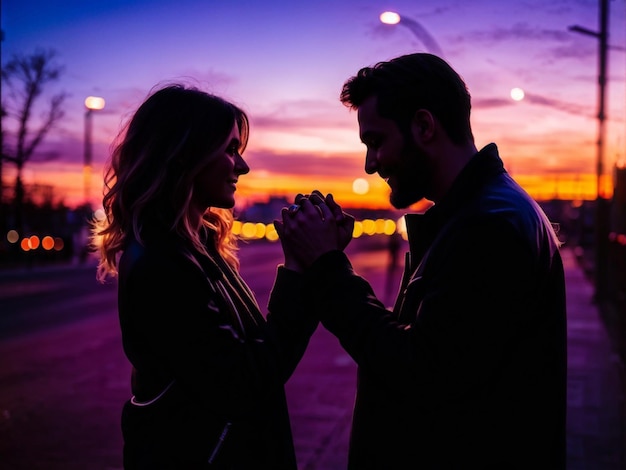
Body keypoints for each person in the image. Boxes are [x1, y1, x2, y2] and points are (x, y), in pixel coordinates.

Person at [273, 53, 567, 469]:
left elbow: (421, 372)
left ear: (424, 126)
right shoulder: (479, 213)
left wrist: (326, 267)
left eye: (376, 142)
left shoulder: (488, 226)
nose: (370, 164)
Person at [91, 83, 318, 469]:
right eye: (230, 150)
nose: (242, 167)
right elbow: (244, 382)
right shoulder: (161, 266)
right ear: (184, 155)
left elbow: (252, 351)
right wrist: (300, 270)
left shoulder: (197, 248)